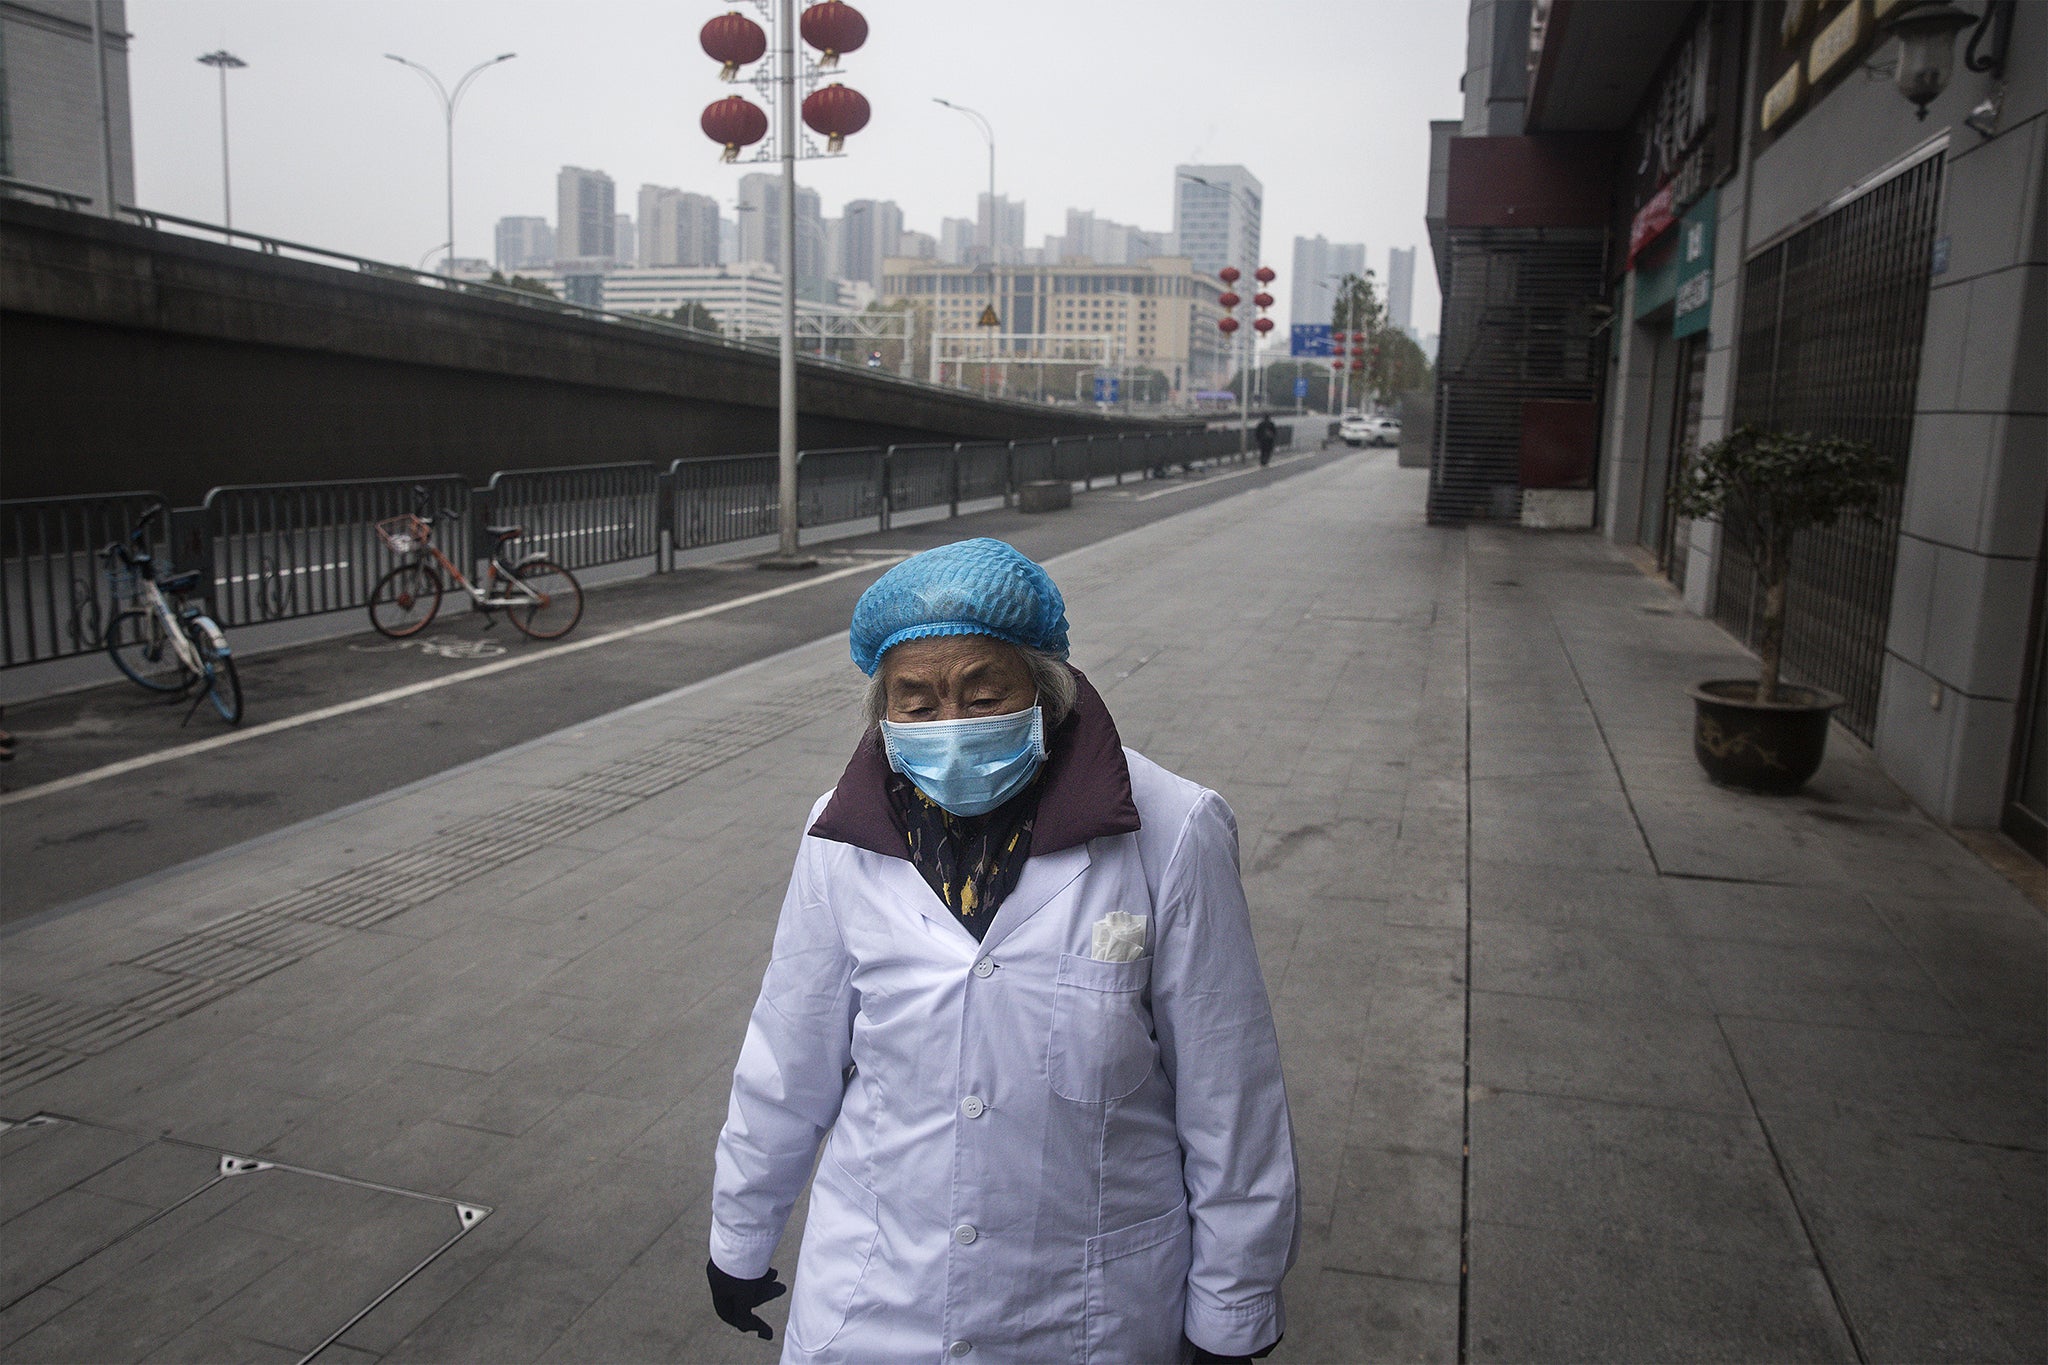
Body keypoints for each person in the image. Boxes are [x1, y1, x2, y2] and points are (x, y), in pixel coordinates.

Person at [708, 537, 1298, 1364]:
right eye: (916, 703)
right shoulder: (841, 838)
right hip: (877, 1302)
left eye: (983, 695)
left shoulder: (1174, 829)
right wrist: (741, 1230)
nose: (950, 728)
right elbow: (786, 1055)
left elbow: (1230, 1093)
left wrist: (1233, 1305)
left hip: (1084, 1313)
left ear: (1045, 692)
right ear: (884, 709)